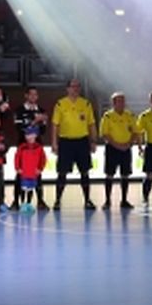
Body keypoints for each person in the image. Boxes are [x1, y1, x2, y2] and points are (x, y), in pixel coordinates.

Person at [51, 79, 97, 211]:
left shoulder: (86, 104)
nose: (75, 89)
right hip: (66, 142)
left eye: (78, 86)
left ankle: (87, 200)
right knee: (62, 172)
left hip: (82, 141)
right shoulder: (60, 104)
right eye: (73, 86)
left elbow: (91, 124)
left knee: (85, 172)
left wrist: (93, 140)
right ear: (67, 89)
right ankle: (57, 200)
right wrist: (54, 143)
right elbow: (55, 125)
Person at [10, 86, 48, 209]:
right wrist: (35, 121)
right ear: (26, 95)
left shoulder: (41, 110)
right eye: (31, 94)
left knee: (37, 173)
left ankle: (40, 201)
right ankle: (16, 201)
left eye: (35, 94)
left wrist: (41, 121)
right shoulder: (19, 110)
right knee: (20, 174)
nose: (33, 97)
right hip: (23, 145)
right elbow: (19, 128)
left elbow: (43, 130)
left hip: (36, 147)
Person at [99, 92, 137, 210]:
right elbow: (105, 134)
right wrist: (117, 145)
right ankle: (107, 201)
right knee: (109, 174)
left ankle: (124, 200)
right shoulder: (108, 116)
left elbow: (135, 132)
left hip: (126, 148)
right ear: (114, 103)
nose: (122, 103)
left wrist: (129, 144)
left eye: (123, 101)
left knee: (125, 175)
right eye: (119, 101)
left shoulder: (130, 115)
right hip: (112, 148)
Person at [12, 125, 46, 212]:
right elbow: (17, 158)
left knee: (30, 189)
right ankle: (22, 203)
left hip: (33, 174)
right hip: (23, 173)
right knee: (23, 189)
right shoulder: (21, 147)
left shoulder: (39, 148)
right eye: (27, 135)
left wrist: (40, 169)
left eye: (31, 134)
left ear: (36, 135)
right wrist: (18, 168)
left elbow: (43, 159)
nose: (29, 137)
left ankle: (29, 203)